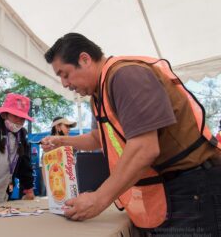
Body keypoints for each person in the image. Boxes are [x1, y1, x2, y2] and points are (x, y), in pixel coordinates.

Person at [41, 33, 221, 235]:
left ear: (85, 59)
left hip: (191, 188)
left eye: (65, 74)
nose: (65, 84)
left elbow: (145, 148)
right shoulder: (97, 95)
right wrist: (62, 141)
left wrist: (99, 198)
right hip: (167, 191)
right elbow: (97, 138)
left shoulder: (125, 76)